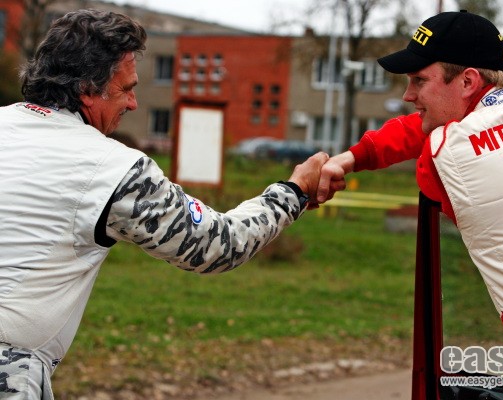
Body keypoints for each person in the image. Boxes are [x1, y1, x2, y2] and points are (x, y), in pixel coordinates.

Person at [0, 9, 330, 399]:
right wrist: (293, 192)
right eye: (126, 89)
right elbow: (217, 244)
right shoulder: (112, 168)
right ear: (88, 89)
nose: (134, 103)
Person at [317, 10, 503, 398]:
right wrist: (353, 157)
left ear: (468, 80)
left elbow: (433, 135)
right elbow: (459, 126)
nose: (408, 95)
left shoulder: (443, 157)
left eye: (419, 80)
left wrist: (349, 159)